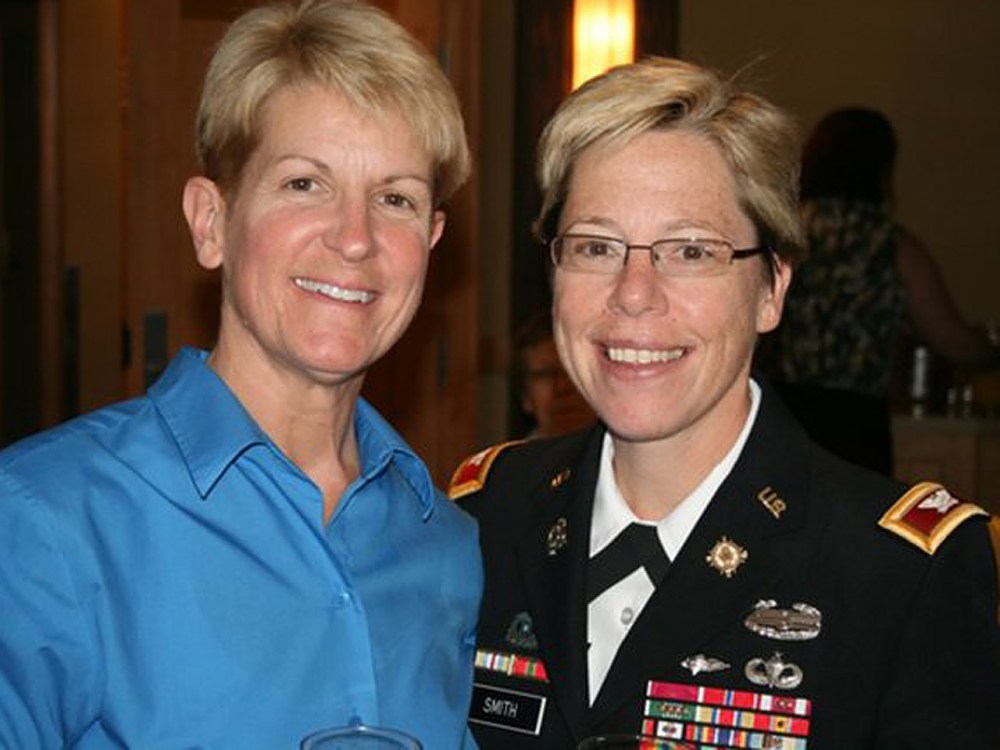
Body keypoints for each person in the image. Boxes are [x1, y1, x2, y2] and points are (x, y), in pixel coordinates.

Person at [449, 58, 1000, 748]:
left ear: (772, 289)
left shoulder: (899, 574)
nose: (634, 293)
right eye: (596, 246)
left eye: (691, 251)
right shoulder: (484, 516)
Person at [0, 2, 482, 747]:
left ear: (431, 241)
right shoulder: (47, 520)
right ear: (211, 222)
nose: (356, 238)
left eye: (395, 199)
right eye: (304, 184)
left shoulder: (445, 545)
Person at [759, 107, 1000, 474]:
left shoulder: (781, 234)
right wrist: (990, 351)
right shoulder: (890, 245)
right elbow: (955, 342)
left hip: (778, 412)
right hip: (855, 426)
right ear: (880, 170)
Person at [514, 308, 596, 439]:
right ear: (525, 396)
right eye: (546, 375)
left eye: (572, 371)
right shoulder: (506, 453)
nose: (562, 387)